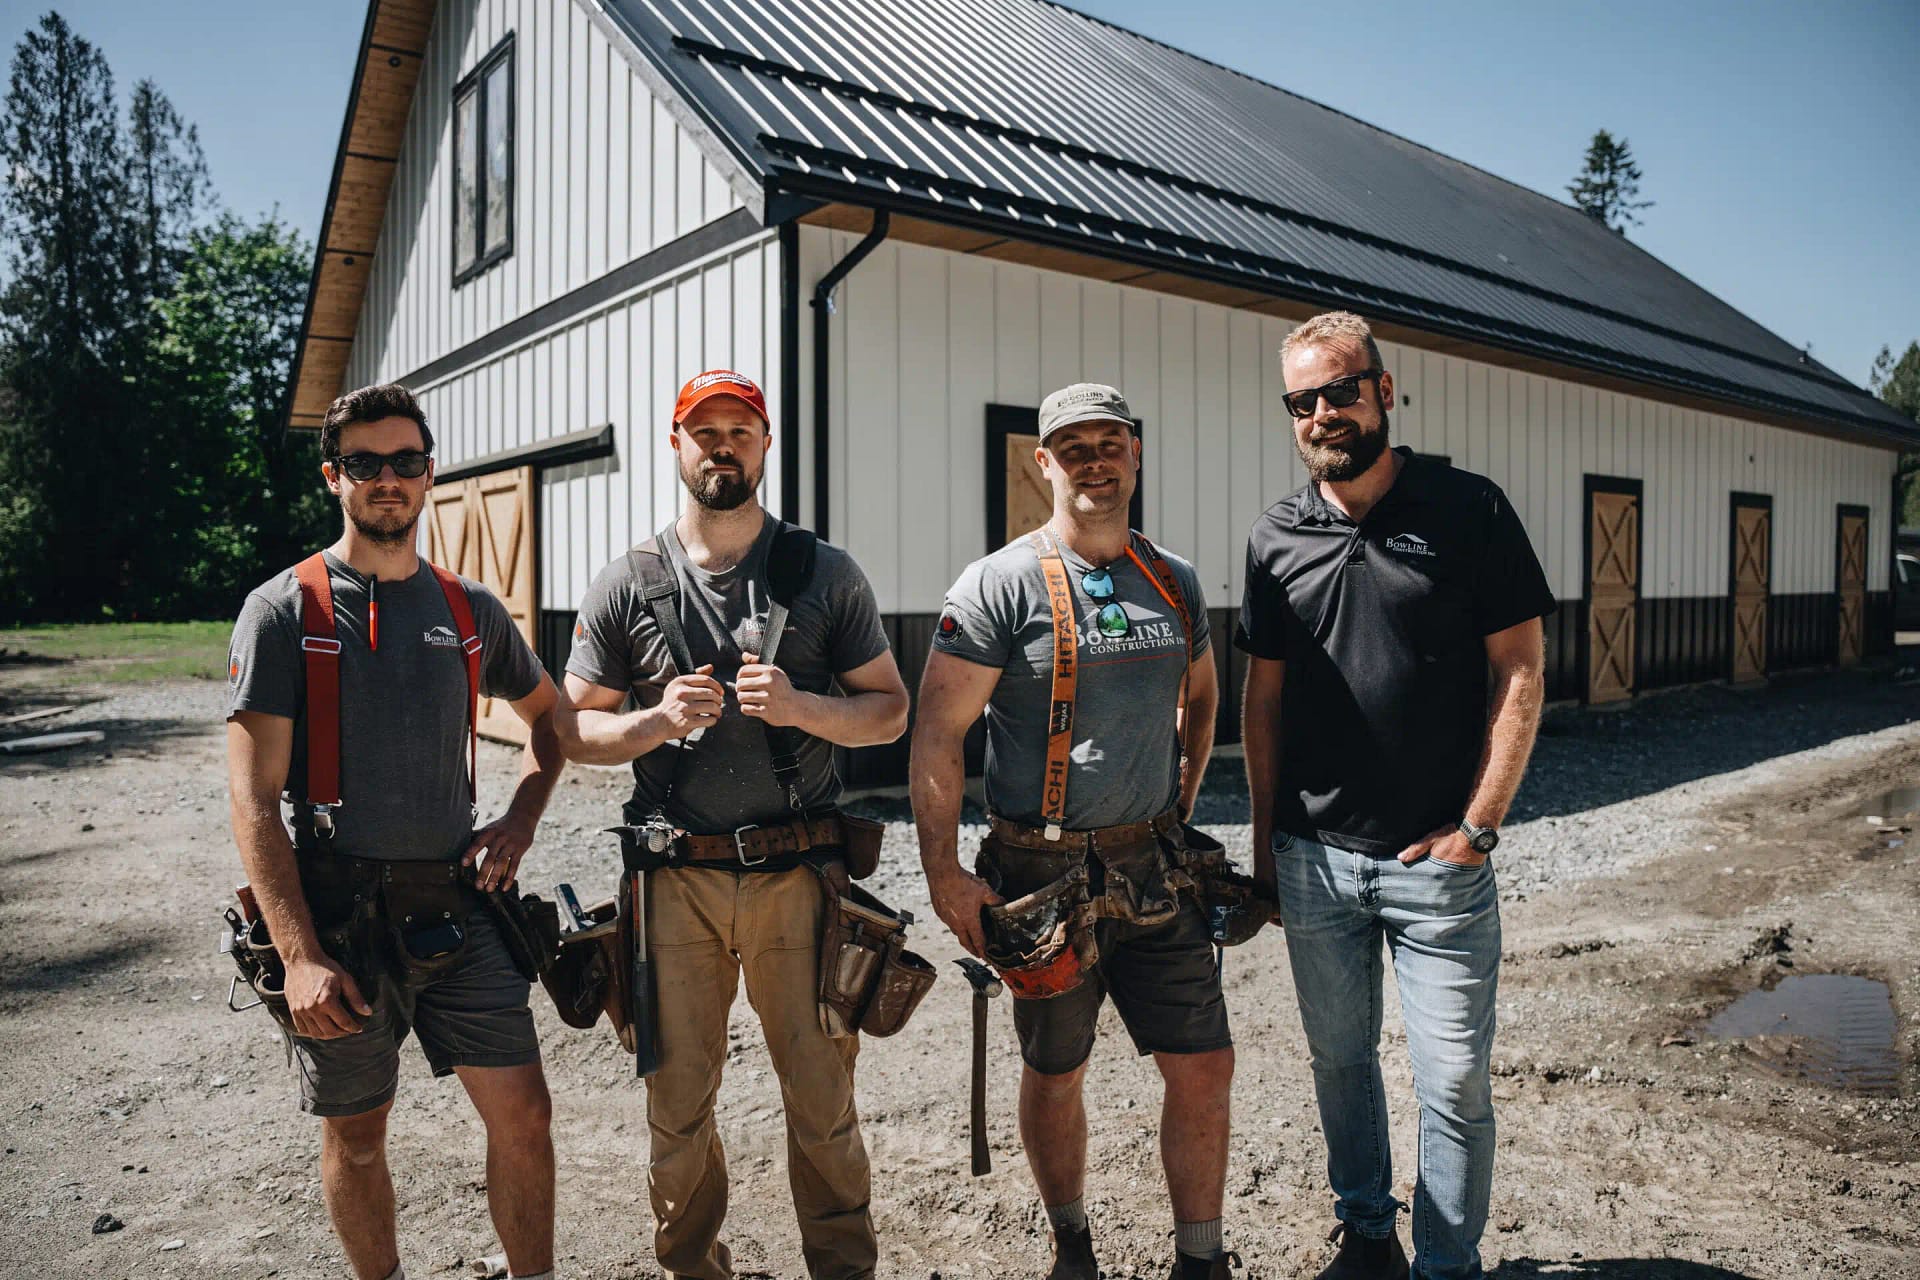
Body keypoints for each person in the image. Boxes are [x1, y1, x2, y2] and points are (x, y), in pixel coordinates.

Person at [557, 369, 910, 1280]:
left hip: (799, 876)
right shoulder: (626, 582)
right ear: (674, 445)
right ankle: (692, 1268)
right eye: (702, 429)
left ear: (764, 447)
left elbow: (890, 711)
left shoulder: (824, 573)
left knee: (822, 1099)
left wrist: (801, 707)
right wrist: (652, 723)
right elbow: (572, 728)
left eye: (740, 430)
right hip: (674, 881)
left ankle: (842, 1269)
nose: (722, 445)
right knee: (675, 1106)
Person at [1237, 312, 1554, 1280]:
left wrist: (1477, 828)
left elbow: (1522, 672)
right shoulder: (1274, 538)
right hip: (1315, 861)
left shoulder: (1471, 510)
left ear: (1385, 387)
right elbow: (1263, 701)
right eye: (1304, 400)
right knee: (1341, 1062)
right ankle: (1368, 1233)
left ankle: (1448, 1264)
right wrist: (1264, 849)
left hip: (1439, 866)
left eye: (1340, 389)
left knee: (1453, 1078)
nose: (1324, 412)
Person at [225, 383, 566, 1280]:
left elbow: (551, 721)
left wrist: (521, 819)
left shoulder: (469, 610)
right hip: (337, 917)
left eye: (406, 462)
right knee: (360, 1135)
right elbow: (254, 800)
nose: (389, 480)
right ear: (334, 477)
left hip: (455, 904)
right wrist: (297, 956)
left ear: (428, 476)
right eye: (366, 465)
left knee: (525, 1117)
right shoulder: (283, 610)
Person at [911, 383, 1236, 1280]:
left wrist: (1184, 794)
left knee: (1204, 1068)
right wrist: (944, 875)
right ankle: (1072, 1248)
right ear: (1043, 463)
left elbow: (1203, 698)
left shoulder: (1174, 578)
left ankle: (1201, 1262)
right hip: (1038, 874)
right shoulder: (997, 584)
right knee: (1055, 1072)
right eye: (1073, 446)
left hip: (1154, 867)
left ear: (1135, 453)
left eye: (1111, 442)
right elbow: (937, 732)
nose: (1095, 460)